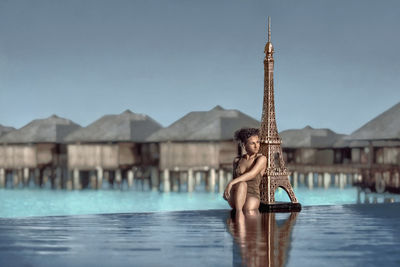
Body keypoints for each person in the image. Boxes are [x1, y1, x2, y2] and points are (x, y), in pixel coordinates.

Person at [224, 128, 266, 215]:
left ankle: (238, 217)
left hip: (252, 195)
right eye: (252, 143)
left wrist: (230, 183)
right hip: (236, 196)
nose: (256, 146)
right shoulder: (237, 160)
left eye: (258, 142)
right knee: (241, 184)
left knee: (242, 184)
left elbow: (251, 174)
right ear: (244, 145)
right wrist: (230, 188)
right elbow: (236, 181)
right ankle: (239, 216)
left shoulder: (261, 159)